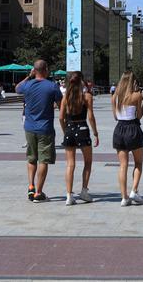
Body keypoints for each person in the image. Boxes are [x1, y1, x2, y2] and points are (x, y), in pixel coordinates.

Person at [16, 60, 62, 203]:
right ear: (46, 70)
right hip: (45, 128)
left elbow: (17, 88)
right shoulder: (52, 86)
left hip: (29, 128)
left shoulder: (28, 85)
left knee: (31, 158)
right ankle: (39, 193)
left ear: (34, 70)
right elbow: (62, 105)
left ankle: (31, 186)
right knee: (43, 160)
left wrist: (29, 76)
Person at [58, 70, 98, 206]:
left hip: (69, 129)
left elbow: (60, 117)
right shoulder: (86, 96)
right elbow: (91, 117)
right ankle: (84, 191)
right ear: (82, 82)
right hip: (82, 129)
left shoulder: (65, 97)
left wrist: (65, 131)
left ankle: (69, 195)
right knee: (88, 162)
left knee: (70, 164)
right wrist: (96, 133)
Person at [112, 71, 143, 206]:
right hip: (132, 128)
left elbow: (115, 116)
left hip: (119, 129)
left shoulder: (115, 96)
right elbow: (139, 116)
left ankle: (124, 197)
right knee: (138, 163)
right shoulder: (136, 95)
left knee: (123, 165)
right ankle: (134, 190)